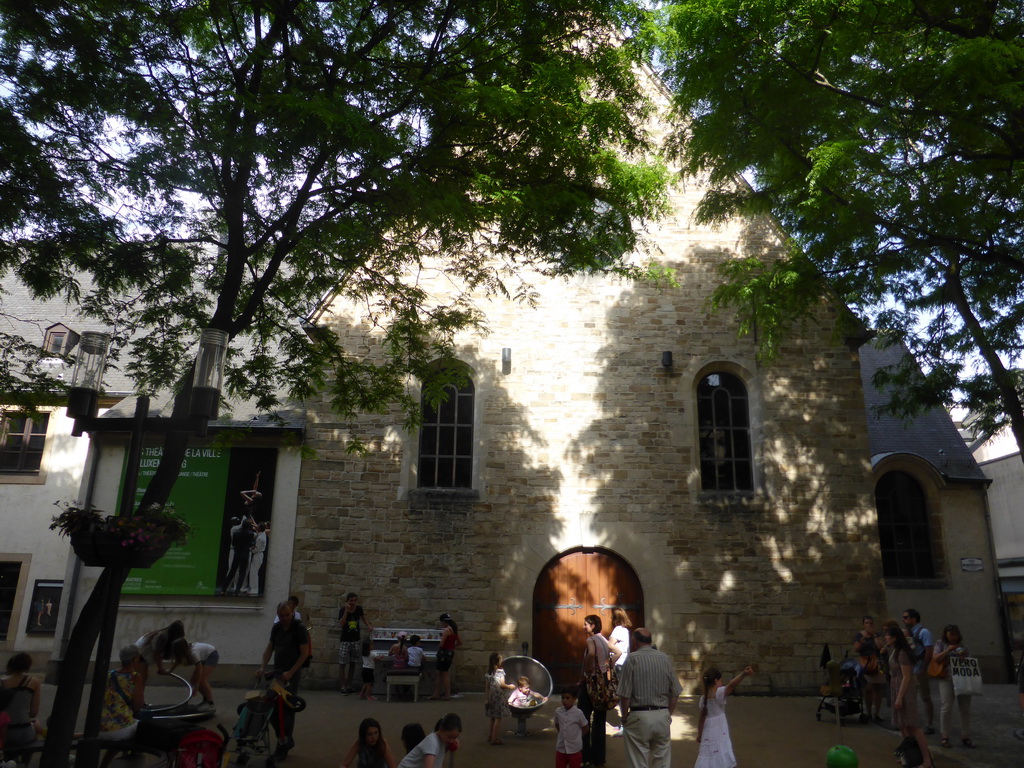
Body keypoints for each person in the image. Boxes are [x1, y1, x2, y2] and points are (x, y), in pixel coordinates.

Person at [617, 628, 683, 768]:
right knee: (662, 760)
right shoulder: (664, 659)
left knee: (638, 761)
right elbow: (675, 692)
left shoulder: (632, 659)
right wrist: (667, 714)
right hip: (661, 714)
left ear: (634, 641)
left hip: (639, 715)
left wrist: (624, 717)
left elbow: (625, 695)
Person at [258, 600, 311, 761]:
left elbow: (304, 654)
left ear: (292, 613)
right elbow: (270, 648)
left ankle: (282, 746)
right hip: (278, 672)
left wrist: (290, 673)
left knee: (286, 709)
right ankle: (286, 739)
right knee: (270, 706)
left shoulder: (299, 628)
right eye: (281, 616)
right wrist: (262, 666)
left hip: (292, 674)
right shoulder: (276, 628)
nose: (284, 619)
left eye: (287, 615)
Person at [885, 623, 934, 768]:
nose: (885, 638)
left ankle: (927, 760)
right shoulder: (895, 651)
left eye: (887, 635)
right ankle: (909, 754)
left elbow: (907, 677)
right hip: (896, 686)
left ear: (894, 638)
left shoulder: (902, 653)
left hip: (904, 688)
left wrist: (900, 697)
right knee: (903, 724)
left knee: (912, 725)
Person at [693, 665, 752, 768]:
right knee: (721, 749)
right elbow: (732, 685)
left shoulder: (703, 699)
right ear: (716, 681)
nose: (721, 683)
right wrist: (743, 674)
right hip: (720, 729)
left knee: (709, 752)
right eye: (720, 680)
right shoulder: (719, 693)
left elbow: (701, 720)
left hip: (708, 730)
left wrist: (700, 734)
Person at [579, 614, 616, 768]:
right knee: (600, 721)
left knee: (584, 718)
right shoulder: (604, 640)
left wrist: (587, 671)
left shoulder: (591, 640)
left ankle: (585, 756)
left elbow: (592, 654)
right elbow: (619, 652)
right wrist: (607, 666)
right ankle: (599, 759)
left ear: (593, 626)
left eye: (586, 624)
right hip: (603, 682)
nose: (584, 627)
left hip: (591, 682)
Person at [932, 624, 973, 748]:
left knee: (965, 708)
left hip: (962, 678)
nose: (953, 638)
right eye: (951, 635)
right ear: (946, 635)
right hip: (946, 678)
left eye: (955, 635)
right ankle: (945, 736)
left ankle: (965, 735)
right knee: (946, 707)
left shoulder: (963, 646)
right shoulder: (940, 644)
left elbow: (970, 662)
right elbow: (936, 659)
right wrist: (947, 650)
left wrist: (963, 657)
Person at [134, 620, 186, 702]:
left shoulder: (165, 635)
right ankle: (137, 701)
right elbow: (157, 654)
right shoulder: (163, 636)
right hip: (139, 654)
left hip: (142, 654)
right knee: (140, 679)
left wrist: (163, 668)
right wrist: (161, 668)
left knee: (142, 678)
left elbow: (160, 654)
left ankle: (139, 701)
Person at [903, 608, 936, 734]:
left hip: (920, 667)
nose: (904, 620)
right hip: (911, 667)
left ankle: (929, 724)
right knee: (912, 696)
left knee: (925, 696)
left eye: (906, 617)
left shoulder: (924, 632)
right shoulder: (908, 632)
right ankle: (915, 721)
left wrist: (923, 667)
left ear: (913, 618)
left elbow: (929, 650)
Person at [0, 653, 41, 750]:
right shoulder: (34, 682)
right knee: (36, 727)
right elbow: (33, 713)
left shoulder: (1, 682)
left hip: (2, 732)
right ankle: (25, 762)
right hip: (24, 733)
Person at [169, 638, 219, 710]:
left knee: (202, 681)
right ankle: (206, 701)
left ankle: (211, 703)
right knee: (193, 680)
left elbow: (199, 669)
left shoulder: (193, 653)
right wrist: (169, 671)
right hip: (204, 655)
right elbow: (178, 661)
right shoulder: (185, 652)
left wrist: (196, 686)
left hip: (211, 655)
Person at [338, 592, 374, 693]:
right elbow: (341, 624)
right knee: (342, 663)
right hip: (345, 640)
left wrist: (368, 625)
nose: (353, 603)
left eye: (354, 601)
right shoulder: (342, 610)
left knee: (352, 663)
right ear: (347, 601)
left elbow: (363, 617)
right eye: (351, 601)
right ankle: (342, 686)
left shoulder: (359, 609)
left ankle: (349, 684)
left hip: (355, 639)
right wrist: (346, 611)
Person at [397, 713, 461, 768]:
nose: (452, 741)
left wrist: (447, 748)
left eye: (455, 737)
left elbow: (437, 763)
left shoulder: (443, 740)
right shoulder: (432, 742)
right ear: (441, 729)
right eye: (450, 737)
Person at [853, 615, 885, 721]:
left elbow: (880, 647)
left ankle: (877, 712)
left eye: (870, 623)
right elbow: (856, 649)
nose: (869, 625)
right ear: (863, 624)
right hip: (865, 663)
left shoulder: (876, 635)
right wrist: (861, 643)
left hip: (876, 663)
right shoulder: (859, 635)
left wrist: (874, 635)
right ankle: (869, 711)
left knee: (877, 688)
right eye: (867, 623)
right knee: (867, 688)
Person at [609, 607, 633, 736]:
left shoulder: (617, 630)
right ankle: (625, 723)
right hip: (625, 663)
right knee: (625, 693)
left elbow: (609, 644)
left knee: (621, 694)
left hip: (619, 664)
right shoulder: (625, 630)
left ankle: (625, 724)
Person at [429, 613, 462, 701]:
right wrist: (452, 647)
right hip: (450, 653)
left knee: (440, 673)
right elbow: (459, 642)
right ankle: (446, 694)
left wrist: (438, 650)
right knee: (445, 673)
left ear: (444, 622)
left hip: (444, 653)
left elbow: (442, 643)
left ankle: (437, 693)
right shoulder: (454, 630)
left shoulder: (447, 630)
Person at [555, 686, 589, 768]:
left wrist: (577, 737)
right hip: (561, 748)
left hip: (574, 749)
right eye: (562, 698)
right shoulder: (558, 712)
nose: (564, 700)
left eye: (567, 698)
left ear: (574, 699)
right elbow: (557, 724)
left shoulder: (578, 713)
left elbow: (585, 728)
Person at [484, 652, 515, 744]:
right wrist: (510, 686)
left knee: (492, 717)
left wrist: (486, 698)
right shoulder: (501, 672)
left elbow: (487, 687)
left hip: (491, 696)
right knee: (498, 718)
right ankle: (494, 738)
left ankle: (490, 735)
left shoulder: (488, 673)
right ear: (498, 662)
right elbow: (502, 684)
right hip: (498, 696)